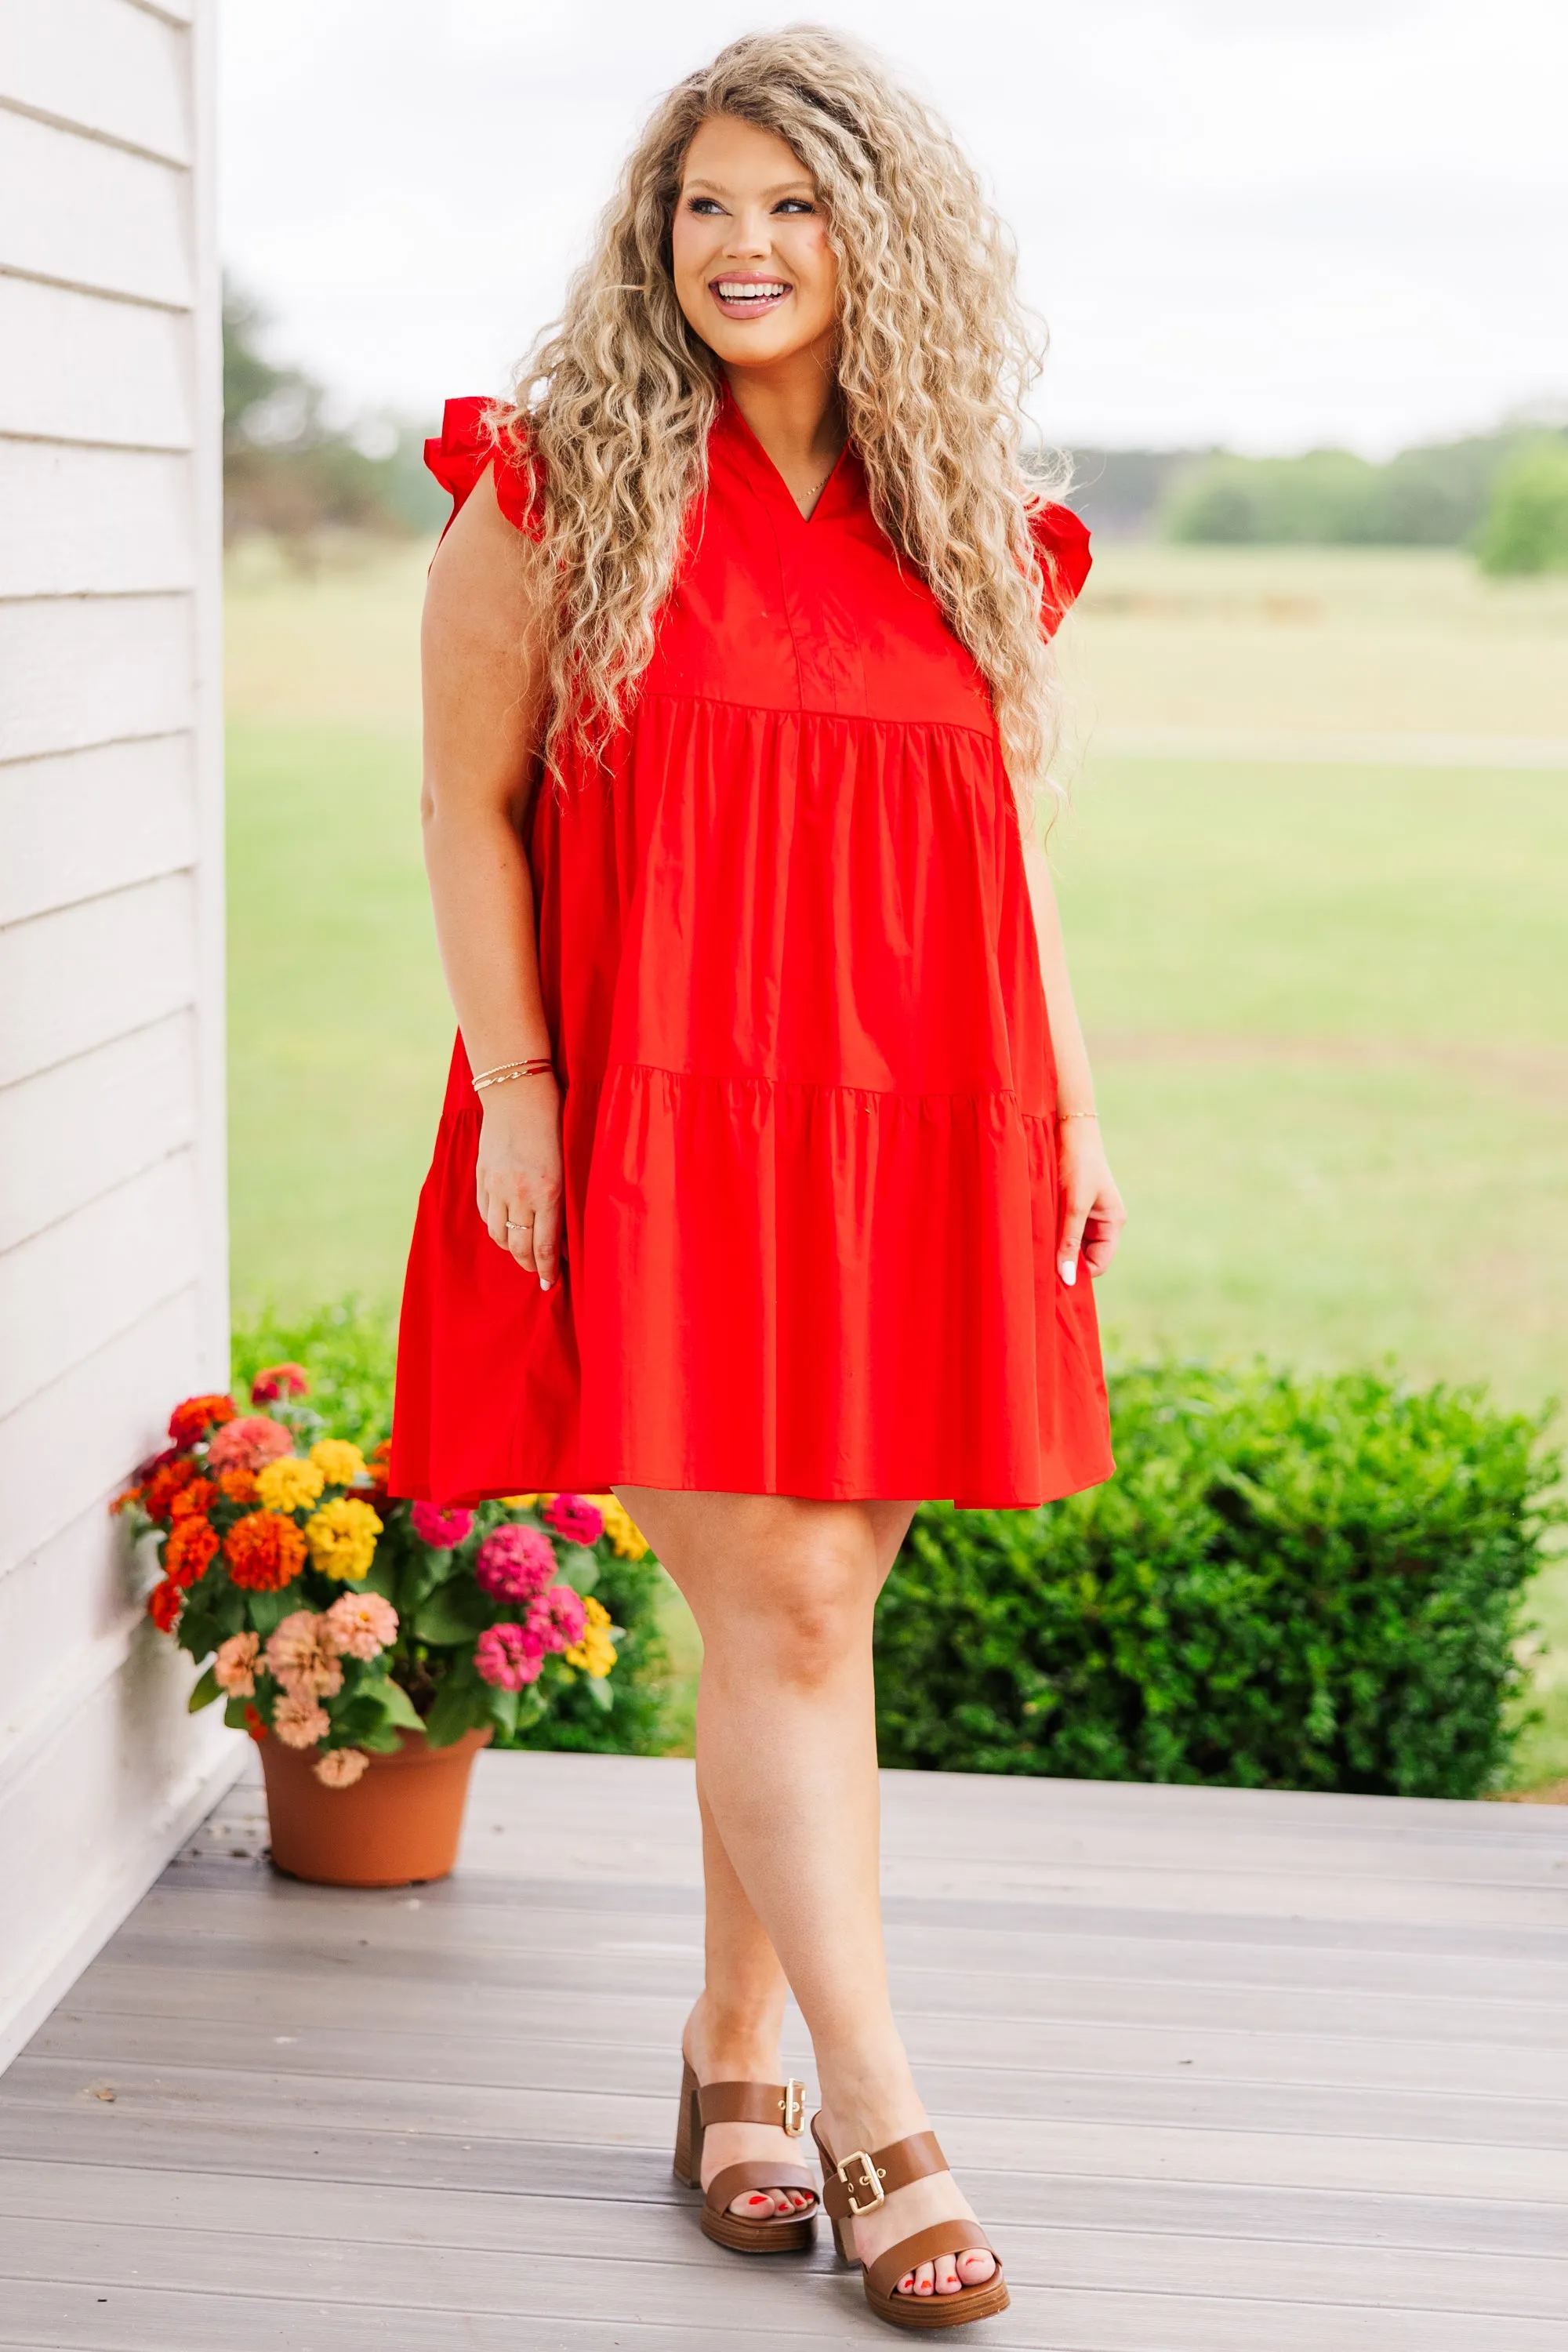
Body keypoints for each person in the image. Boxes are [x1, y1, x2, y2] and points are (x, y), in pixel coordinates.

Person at [390, 27, 1124, 2331]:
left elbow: (1002, 860)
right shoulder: (556, 491)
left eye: (792, 204)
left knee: (803, 1614)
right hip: (656, 1116)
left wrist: (1075, 1103)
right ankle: (882, 2122)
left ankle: (728, 2049)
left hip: (921, 1120)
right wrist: (520, 1086)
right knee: (792, 1607)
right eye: (705, 204)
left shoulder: (970, 527)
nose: (743, 245)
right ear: (654, 232)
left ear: (875, 234)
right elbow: (465, 809)